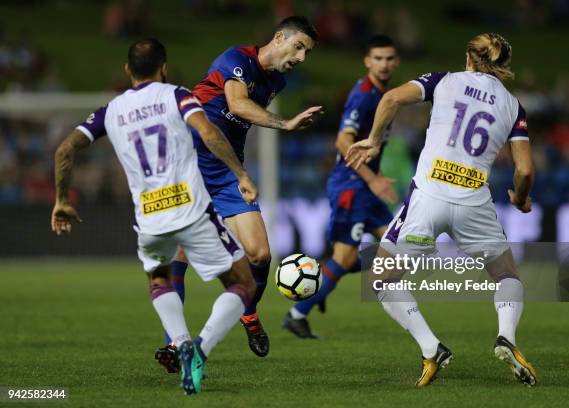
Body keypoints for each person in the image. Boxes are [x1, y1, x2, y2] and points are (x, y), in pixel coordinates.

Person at [51, 38, 258, 395]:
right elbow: (208, 132)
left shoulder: (110, 111)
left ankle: (179, 342)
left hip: (149, 217)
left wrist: (61, 200)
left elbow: (65, 149)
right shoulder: (176, 95)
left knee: (158, 277)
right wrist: (240, 174)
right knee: (243, 283)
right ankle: (201, 349)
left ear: (127, 70)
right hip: (190, 209)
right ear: (163, 67)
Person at [346, 33, 537, 387]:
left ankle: (431, 348)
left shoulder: (442, 81)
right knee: (507, 275)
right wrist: (521, 198)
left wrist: (373, 140)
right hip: (474, 203)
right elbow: (524, 170)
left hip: (428, 198)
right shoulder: (514, 107)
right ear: (502, 65)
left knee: (380, 279)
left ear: (468, 57)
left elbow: (390, 98)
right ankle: (506, 337)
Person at [155, 16, 323, 370]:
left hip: (226, 169)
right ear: (279, 37)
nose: (301, 58)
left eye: (306, 52)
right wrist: (285, 123)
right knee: (178, 259)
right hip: (187, 166)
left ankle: (249, 314)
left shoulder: (276, 81)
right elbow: (236, 105)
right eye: (299, 47)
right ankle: (175, 343)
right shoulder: (235, 59)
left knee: (260, 254)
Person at [282, 35, 399, 338]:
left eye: (389, 58)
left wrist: (374, 176)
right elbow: (343, 140)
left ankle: (324, 281)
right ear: (367, 61)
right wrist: (373, 179)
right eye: (378, 58)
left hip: (363, 186)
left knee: (401, 250)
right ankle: (298, 313)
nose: (384, 64)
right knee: (348, 257)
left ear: (395, 62)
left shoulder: (385, 95)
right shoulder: (364, 95)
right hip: (352, 183)